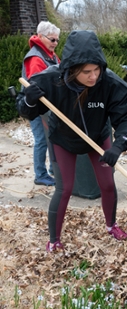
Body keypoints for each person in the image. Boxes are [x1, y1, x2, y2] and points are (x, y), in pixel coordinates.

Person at [17, 30, 127, 251]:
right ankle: (54, 240)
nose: (93, 77)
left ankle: (111, 225)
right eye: (86, 72)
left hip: (97, 137)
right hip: (63, 138)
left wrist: (119, 144)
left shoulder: (109, 82)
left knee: (107, 183)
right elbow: (26, 110)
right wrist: (29, 100)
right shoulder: (50, 79)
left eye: (97, 70)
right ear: (72, 70)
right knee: (64, 189)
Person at [22, 21, 61, 186]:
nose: (55, 43)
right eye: (52, 40)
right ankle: (40, 174)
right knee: (41, 140)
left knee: (51, 137)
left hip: (49, 106)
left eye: (57, 40)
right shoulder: (35, 58)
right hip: (37, 107)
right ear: (40, 37)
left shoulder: (50, 55)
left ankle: (54, 168)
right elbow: (39, 86)